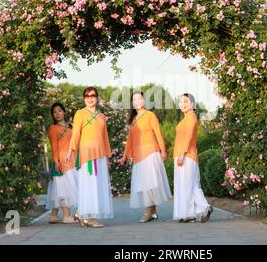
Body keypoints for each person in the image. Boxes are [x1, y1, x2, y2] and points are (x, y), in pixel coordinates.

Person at [120, 91, 172, 223]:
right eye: (134, 99)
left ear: (144, 101)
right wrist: (125, 156)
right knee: (144, 184)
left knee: (149, 184)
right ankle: (153, 212)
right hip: (138, 156)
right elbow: (130, 140)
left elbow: (158, 134)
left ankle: (148, 212)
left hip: (150, 153)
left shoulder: (150, 115)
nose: (137, 101)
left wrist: (163, 151)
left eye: (140, 98)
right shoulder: (133, 120)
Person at [66, 87, 113, 228]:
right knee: (89, 184)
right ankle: (89, 218)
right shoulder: (80, 113)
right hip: (87, 154)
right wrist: (70, 151)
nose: (90, 98)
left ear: (97, 97)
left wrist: (108, 157)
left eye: (92, 95)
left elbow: (105, 138)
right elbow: (76, 134)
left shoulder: (102, 116)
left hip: (100, 154)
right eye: (87, 96)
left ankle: (81, 213)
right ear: (84, 98)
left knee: (97, 185)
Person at [173, 93, 213, 223]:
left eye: (186, 101)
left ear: (192, 104)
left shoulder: (191, 117)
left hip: (186, 155)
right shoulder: (187, 118)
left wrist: (182, 153)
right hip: (186, 155)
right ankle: (191, 213)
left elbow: (189, 136)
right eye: (181, 102)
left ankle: (203, 208)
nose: (183, 104)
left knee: (187, 185)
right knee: (191, 185)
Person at [45, 102, 78, 224]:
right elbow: (54, 147)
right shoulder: (53, 129)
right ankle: (67, 215)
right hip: (60, 163)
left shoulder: (70, 127)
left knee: (57, 188)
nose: (57, 114)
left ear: (64, 112)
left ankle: (54, 215)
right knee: (63, 188)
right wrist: (56, 161)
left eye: (59, 111)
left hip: (72, 161)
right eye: (54, 112)